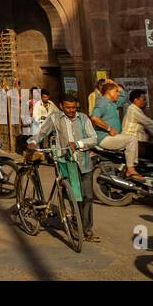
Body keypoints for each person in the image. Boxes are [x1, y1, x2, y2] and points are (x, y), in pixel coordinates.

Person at [34, 91, 100, 242]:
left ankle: (87, 230)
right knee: (74, 196)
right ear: (62, 106)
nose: (71, 111)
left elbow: (93, 138)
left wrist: (78, 144)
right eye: (68, 107)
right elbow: (42, 133)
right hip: (65, 162)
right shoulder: (55, 119)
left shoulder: (83, 118)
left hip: (83, 161)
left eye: (74, 108)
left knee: (88, 197)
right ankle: (76, 225)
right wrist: (32, 142)